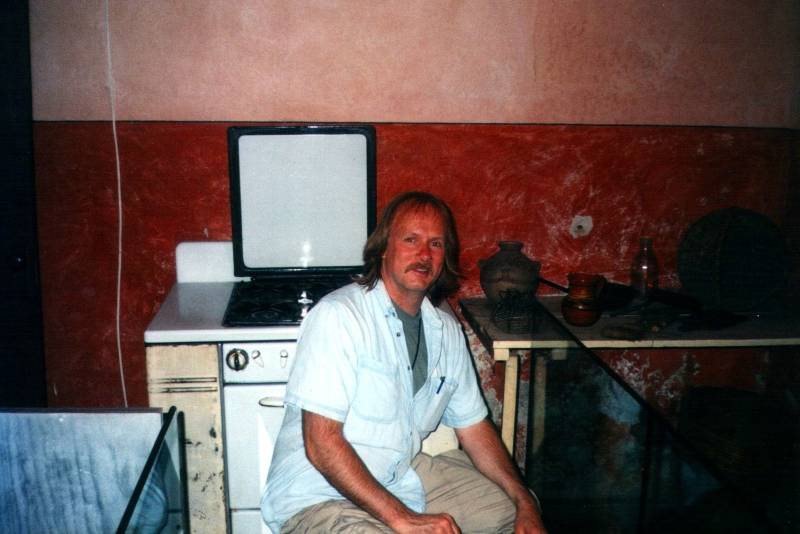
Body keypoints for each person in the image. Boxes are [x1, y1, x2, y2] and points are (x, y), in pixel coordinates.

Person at [261, 191, 547, 533]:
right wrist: (402, 518)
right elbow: (321, 444)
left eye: (436, 244)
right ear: (383, 246)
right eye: (411, 239)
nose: (424, 254)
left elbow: (474, 428)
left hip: (398, 476)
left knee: (514, 514)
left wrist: (525, 502)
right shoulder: (340, 317)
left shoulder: (445, 330)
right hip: (318, 496)